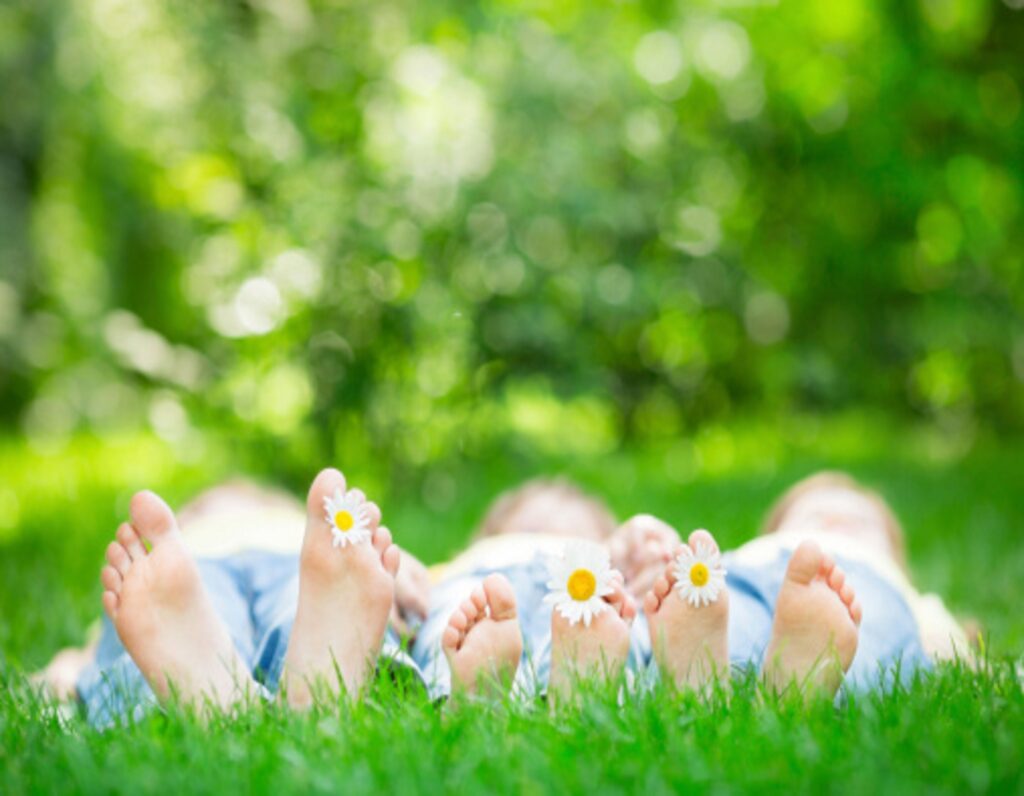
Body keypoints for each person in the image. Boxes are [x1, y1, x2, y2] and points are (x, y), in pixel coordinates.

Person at [37, 468, 968, 725]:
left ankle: (266, 690)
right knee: (445, 616)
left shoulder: (797, 559)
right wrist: (404, 585)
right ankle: (704, 689)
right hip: (498, 583)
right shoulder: (464, 561)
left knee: (457, 622)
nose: (827, 519)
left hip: (546, 587)